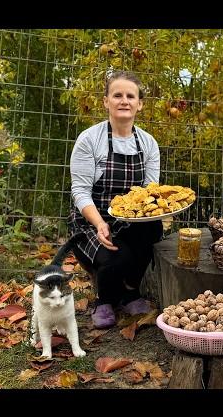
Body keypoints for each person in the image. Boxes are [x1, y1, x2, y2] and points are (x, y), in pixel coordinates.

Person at [68, 70, 162, 328]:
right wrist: (99, 224)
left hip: (129, 218)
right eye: (117, 95)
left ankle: (130, 291)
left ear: (139, 104)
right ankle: (105, 300)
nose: (124, 101)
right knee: (119, 258)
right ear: (106, 101)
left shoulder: (148, 144)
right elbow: (80, 191)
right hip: (90, 221)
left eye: (130, 96)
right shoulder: (89, 140)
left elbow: (149, 192)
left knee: (153, 227)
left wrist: (163, 208)